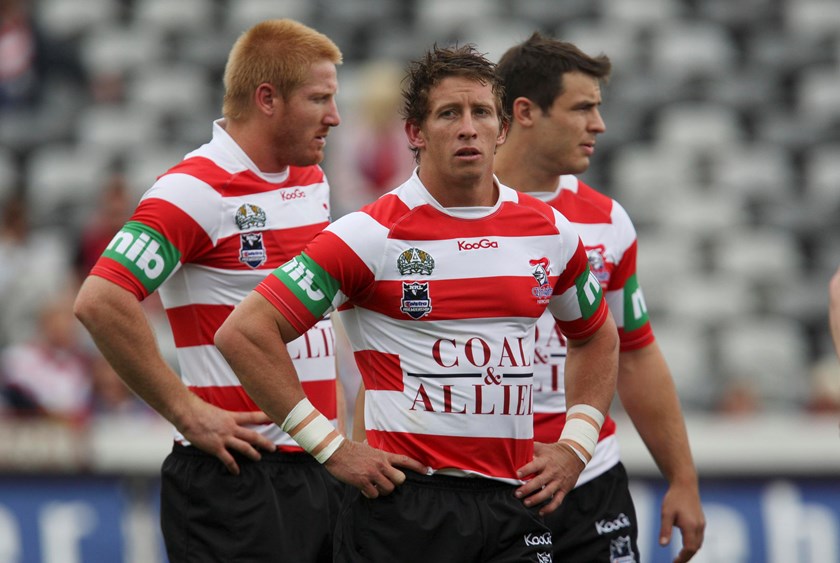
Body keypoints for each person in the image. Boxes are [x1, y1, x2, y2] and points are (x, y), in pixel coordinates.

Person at [215, 43, 620, 563]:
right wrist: (331, 448)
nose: (468, 127)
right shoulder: (369, 234)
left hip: (513, 503)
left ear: (502, 128)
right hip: (405, 508)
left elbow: (596, 335)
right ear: (415, 132)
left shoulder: (549, 231)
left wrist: (574, 447)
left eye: (481, 113)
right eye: (449, 113)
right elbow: (244, 332)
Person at [74, 19, 346, 562]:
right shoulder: (194, 189)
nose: (335, 117)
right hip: (238, 477)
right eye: (319, 99)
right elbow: (100, 300)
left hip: (317, 466)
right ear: (268, 98)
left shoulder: (310, 179)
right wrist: (183, 409)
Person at [494, 32, 706, 563]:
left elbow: (634, 354)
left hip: (591, 480)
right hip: (490, 481)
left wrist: (681, 478)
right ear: (525, 112)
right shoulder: (446, 219)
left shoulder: (608, 221)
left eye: (599, 108)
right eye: (583, 108)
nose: (599, 125)